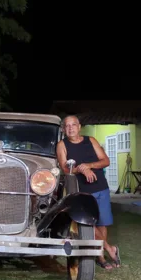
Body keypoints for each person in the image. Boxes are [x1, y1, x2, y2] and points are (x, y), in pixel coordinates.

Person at [56, 115, 121, 269]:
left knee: (102, 223)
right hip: (80, 191)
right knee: (87, 223)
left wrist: (89, 165)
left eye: (73, 125)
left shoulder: (90, 140)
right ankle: (109, 249)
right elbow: (65, 169)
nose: (70, 128)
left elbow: (106, 161)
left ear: (79, 126)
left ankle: (100, 256)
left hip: (100, 188)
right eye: (67, 126)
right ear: (64, 129)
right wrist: (80, 168)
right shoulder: (62, 145)